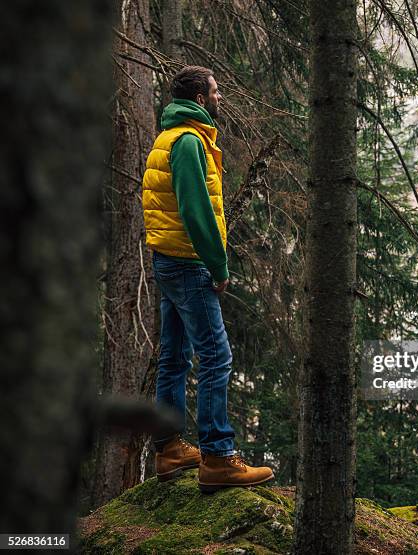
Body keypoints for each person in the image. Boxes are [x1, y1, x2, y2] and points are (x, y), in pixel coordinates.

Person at [142, 66, 274, 492]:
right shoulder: (188, 142)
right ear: (200, 96)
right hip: (187, 262)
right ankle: (218, 456)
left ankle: (168, 449)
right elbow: (196, 211)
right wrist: (218, 267)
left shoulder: (171, 136)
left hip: (169, 258)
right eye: (216, 91)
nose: (220, 97)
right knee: (216, 356)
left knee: (175, 356)